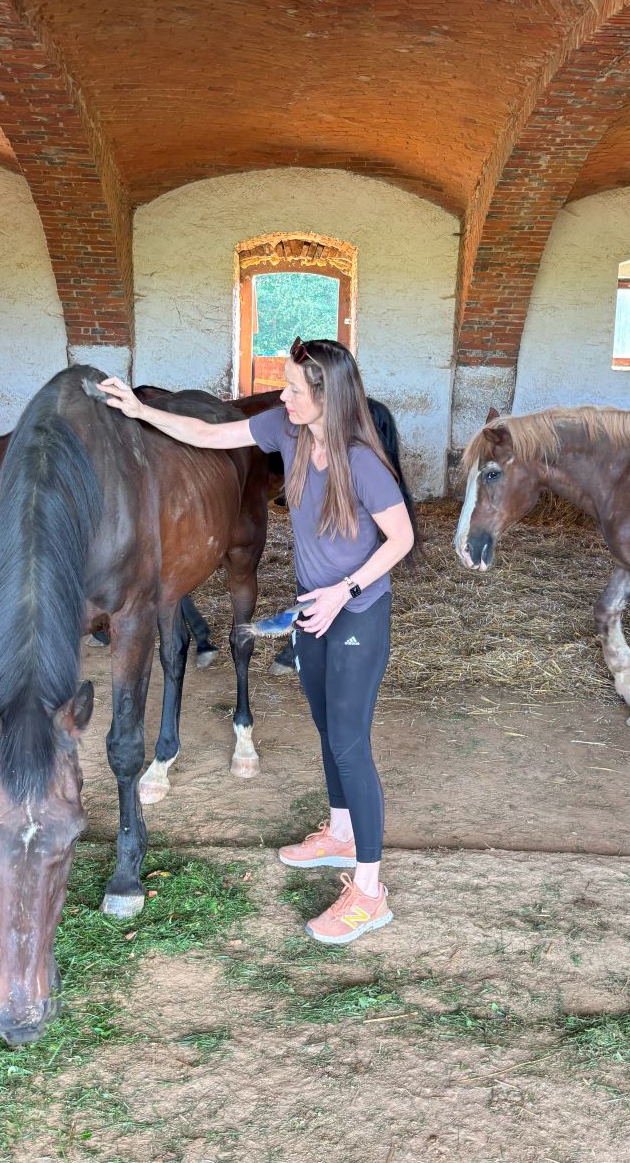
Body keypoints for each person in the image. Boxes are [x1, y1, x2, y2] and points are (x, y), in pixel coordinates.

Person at [97, 337, 414, 944]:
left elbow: (399, 541)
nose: (283, 396)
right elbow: (210, 434)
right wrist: (141, 413)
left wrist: (343, 591)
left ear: (327, 397)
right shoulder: (287, 432)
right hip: (312, 609)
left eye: (294, 389)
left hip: (354, 611)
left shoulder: (363, 463)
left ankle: (370, 892)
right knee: (327, 729)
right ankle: (341, 831)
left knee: (349, 744)